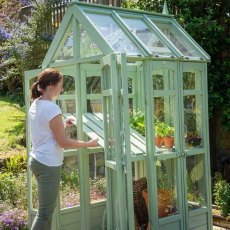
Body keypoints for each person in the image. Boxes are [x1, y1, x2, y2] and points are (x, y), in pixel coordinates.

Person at [28, 68, 99, 230]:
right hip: (48, 164)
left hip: (38, 160)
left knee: (48, 211)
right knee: (44, 213)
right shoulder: (52, 109)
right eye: (60, 85)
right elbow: (62, 142)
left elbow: (45, 128)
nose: (62, 89)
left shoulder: (37, 103)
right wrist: (88, 144)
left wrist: (63, 123)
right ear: (51, 86)